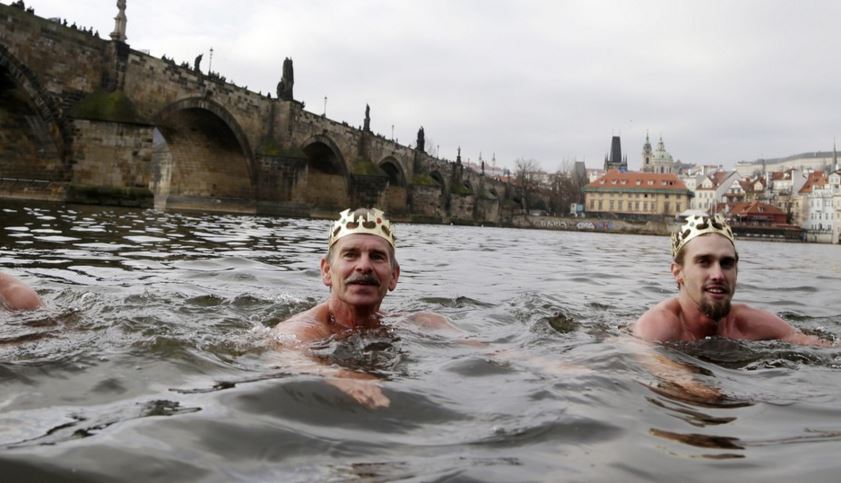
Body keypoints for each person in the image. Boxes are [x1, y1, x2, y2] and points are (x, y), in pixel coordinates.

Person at [269, 208, 453, 407]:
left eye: (377, 256)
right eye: (350, 255)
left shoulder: (420, 322)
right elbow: (294, 359)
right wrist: (343, 376)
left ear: (394, 276)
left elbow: (473, 347)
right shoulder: (302, 329)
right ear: (327, 271)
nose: (364, 266)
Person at [634, 213, 828, 346]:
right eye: (704, 262)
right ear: (678, 272)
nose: (718, 275)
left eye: (726, 263)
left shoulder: (749, 322)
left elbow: (814, 344)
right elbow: (668, 372)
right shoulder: (655, 327)